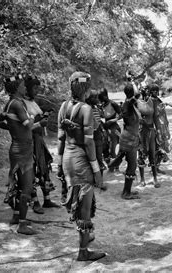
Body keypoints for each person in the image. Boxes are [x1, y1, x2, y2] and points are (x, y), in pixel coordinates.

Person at [57, 71, 106, 260]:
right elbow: (89, 142)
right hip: (81, 161)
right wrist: (96, 169)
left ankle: (85, 239)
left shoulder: (63, 106)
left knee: (80, 202)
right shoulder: (85, 109)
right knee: (84, 208)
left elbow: (61, 138)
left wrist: (59, 163)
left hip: (68, 158)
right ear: (86, 88)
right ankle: (83, 252)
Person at [0, 74, 37, 235]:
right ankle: (22, 225)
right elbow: (28, 123)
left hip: (18, 148)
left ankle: (17, 215)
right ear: (17, 87)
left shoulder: (10, 103)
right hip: (22, 150)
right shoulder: (18, 105)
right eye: (22, 85)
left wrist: (13, 129)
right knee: (26, 186)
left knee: (19, 185)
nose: (25, 87)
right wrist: (33, 115)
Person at [22, 75, 61, 214]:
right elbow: (22, 125)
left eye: (38, 88)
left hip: (38, 139)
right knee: (31, 171)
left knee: (44, 169)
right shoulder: (21, 103)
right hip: (28, 142)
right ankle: (35, 202)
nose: (37, 91)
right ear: (26, 88)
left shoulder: (35, 101)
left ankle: (47, 199)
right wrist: (39, 122)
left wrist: (45, 115)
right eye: (34, 88)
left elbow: (45, 109)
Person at [107, 83, 141, 200]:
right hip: (129, 139)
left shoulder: (128, 103)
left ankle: (128, 190)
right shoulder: (129, 103)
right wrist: (133, 82)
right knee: (132, 165)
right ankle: (126, 193)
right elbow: (138, 94)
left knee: (131, 164)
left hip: (128, 138)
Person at [137, 85, 160, 188]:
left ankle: (155, 178)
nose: (147, 93)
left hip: (151, 131)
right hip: (141, 131)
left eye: (148, 91)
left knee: (152, 153)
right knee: (141, 154)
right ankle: (142, 179)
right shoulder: (137, 102)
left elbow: (155, 116)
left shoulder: (153, 101)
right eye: (145, 91)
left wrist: (158, 130)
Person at [85, 89, 108, 190]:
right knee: (92, 158)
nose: (97, 99)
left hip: (98, 136)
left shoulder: (96, 108)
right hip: (91, 137)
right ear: (89, 99)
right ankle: (95, 180)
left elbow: (100, 120)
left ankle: (99, 181)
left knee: (99, 158)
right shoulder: (87, 109)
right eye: (94, 98)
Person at [149, 84, 170, 174]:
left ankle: (157, 166)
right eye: (153, 90)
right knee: (158, 147)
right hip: (157, 127)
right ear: (150, 91)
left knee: (161, 146)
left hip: (162, 126)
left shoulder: (157, 99)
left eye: (156, 90)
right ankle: (155, 167)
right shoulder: (151, 100)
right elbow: (153, 115)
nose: (155, 92)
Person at [99, 88, 121, 171]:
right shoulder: (102, 105)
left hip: (114, 129)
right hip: (106, 128)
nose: (99, 100)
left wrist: (112, 120)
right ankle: (111, 165)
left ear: (105, 96)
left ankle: (115, 165)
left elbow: (122, 114)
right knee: (106, 149)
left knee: (112, 149)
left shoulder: (113, 104)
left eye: (100, 98)